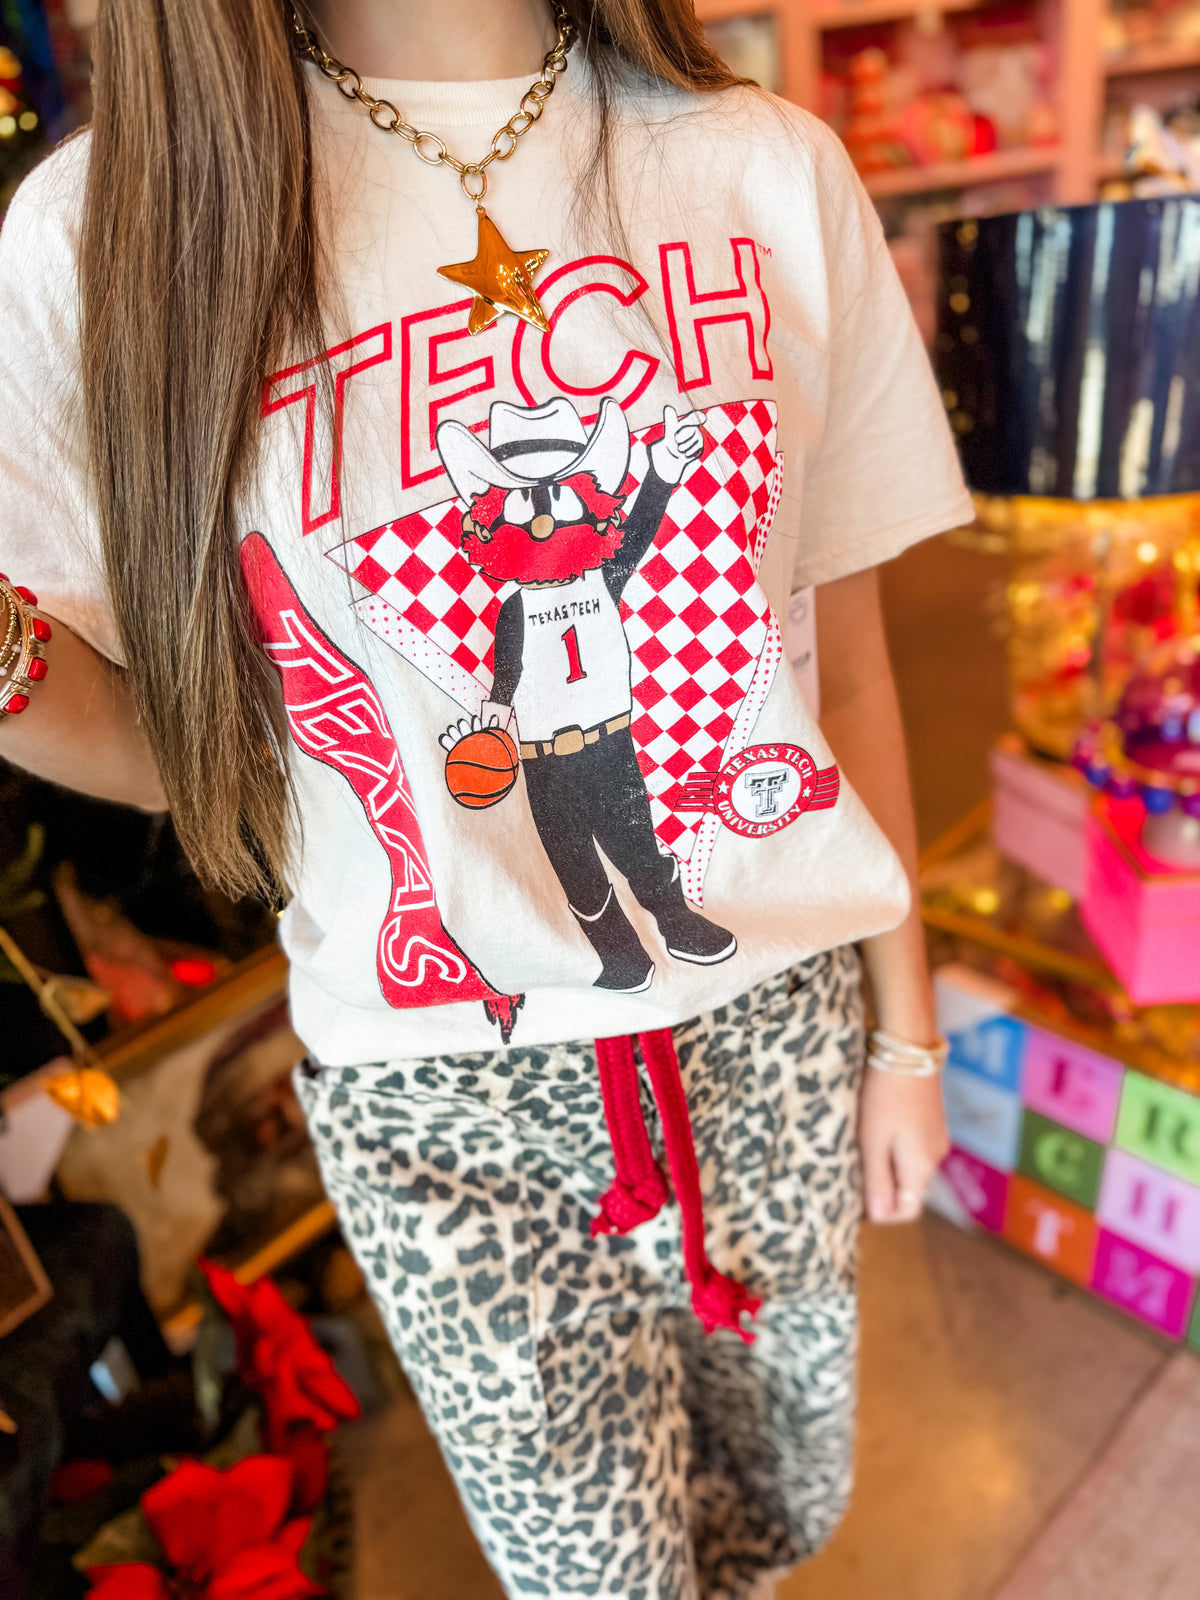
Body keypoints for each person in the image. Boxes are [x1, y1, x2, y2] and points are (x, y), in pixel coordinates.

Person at [0, 0, 973, 1594]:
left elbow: (841, 663)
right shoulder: (109, 232)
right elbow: (194, 748)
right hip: (442, 1093)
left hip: (776, 1029)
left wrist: (906, 1037)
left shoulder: (763, 167)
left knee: (782, 1509)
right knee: (597, 1576)